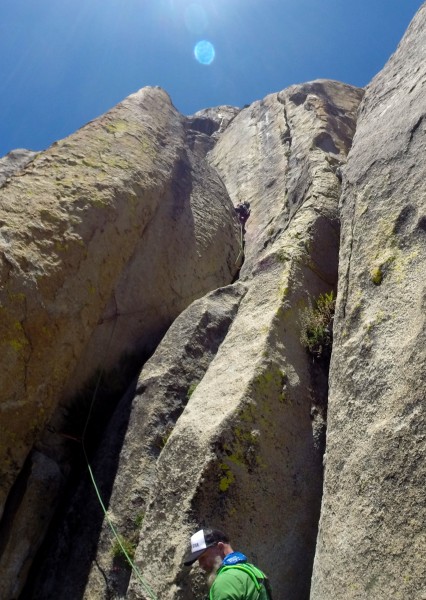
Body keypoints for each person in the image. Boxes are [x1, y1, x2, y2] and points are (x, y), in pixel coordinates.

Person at [184, 528, 272, 599]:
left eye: (203, 557)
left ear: (220, 547)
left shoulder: (225, 581)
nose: (201, 565)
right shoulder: (253, 571)